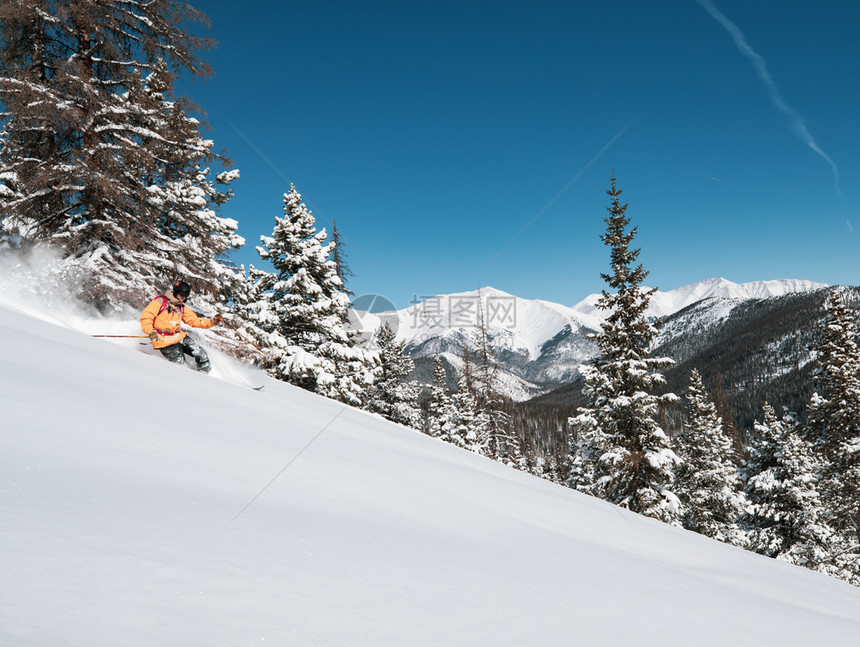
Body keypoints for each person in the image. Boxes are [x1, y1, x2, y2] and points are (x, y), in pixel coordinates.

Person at [139, 280, 223, 373]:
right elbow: (146, 318)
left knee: (201, 354)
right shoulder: (160, 302)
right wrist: (150, 331)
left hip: (179, 336)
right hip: (164, 340)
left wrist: (212, 322)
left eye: (185, 297)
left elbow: (194, 320)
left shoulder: (181, 307)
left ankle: (206, 377)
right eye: (181, 295)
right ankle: (183, 382)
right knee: (180, 364)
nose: (183, 298)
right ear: (175, 292)